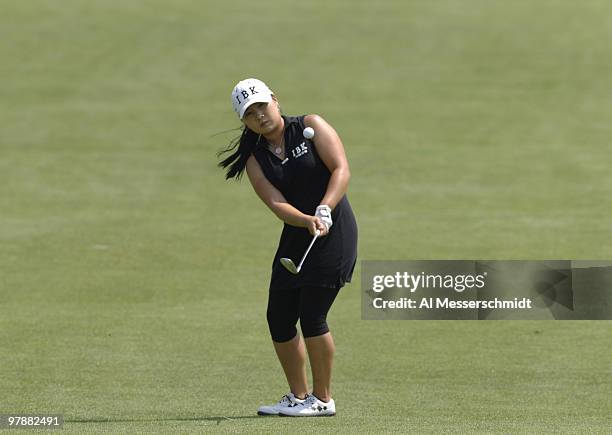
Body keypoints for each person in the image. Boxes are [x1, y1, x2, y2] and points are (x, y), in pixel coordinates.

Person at [218, 78, 358, 417]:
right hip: (298, 235)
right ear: (244, 122)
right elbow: (276, 203)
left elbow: (341, 169)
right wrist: (305, 220)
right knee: (278, 317)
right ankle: (299, 396)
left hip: (334, 231)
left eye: (262, 106)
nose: (260, 116)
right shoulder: (255, 159)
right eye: (250, 114)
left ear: (275, 100)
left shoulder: (310, 126)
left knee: (313, 315)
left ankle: (322, 400)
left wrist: (323, 208)